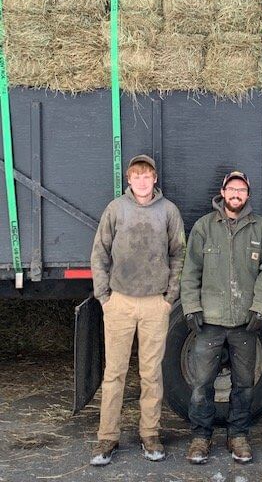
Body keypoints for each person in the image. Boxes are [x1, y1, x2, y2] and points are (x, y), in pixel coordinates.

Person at [89, 154, 185, 466]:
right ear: (129, 180)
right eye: (136, 176)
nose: (142, 181)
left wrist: (170, 296)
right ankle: (107, 437)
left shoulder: (168, 211)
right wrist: (104, 295)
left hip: (155, 303)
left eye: (147, 175)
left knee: (151, 373)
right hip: (120, 301)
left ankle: (150, 434)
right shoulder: (116, 209)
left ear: (154, 179)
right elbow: (100, 251)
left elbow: (179, 253)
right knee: (114, 372)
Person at [181, 171, 262, 465]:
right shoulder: (204, 227)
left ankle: (238, 436)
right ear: (222, 192)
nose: (236, 194)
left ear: (248, 195)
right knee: (201, 384)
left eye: (242, 190)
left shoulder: (260, 229)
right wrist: (191, 307)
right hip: (209, 321)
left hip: (244, 323)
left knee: (244, 384)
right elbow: (191, 270)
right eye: (232, 188)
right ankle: (200, 437)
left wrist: (260, 307)